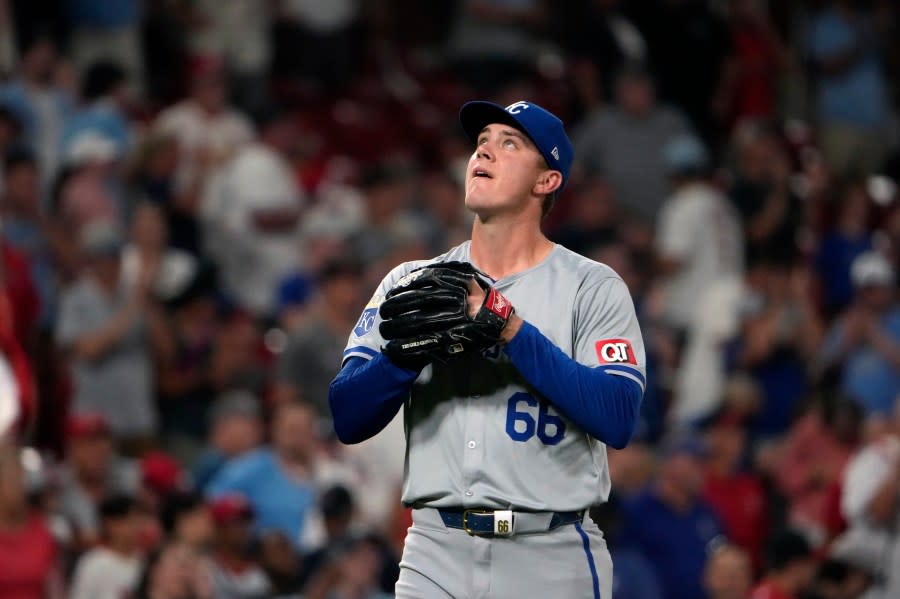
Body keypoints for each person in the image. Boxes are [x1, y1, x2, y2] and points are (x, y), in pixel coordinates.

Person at [330, 100, 646, 598]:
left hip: (552, 553)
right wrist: (404, 357)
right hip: (435, 549)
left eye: (509, 143)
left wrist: (511, 330)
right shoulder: (411, 282)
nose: (485, 150)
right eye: (481, 142)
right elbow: (346, 415)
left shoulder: (592, 287)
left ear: (547, 181)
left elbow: (617, 416)